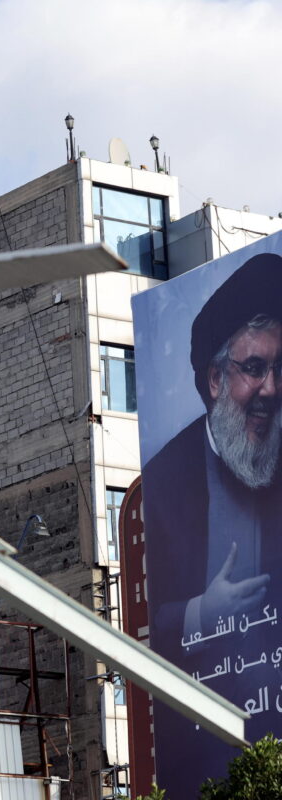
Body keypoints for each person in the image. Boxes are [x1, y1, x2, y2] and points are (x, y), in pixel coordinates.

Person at [142, 251, 282, 795]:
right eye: (254, 368)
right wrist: (208, 612)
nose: (270, 389)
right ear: (217, 379)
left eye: (279, 368)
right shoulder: (164, 482)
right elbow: (148, 630)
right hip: (201, 766)